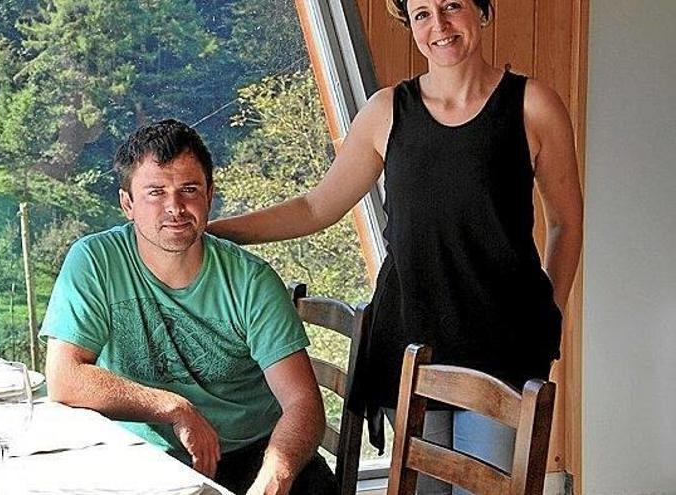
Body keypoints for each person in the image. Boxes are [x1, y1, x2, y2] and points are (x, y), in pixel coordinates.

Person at [207, 1, 583, 493]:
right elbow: (316, 208)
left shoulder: (534, 105)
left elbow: (565, 224)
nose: (439, 25)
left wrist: (548, 317)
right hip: (408, 341)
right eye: (422, 13)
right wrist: (211, 232)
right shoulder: (386, 111)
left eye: (452, 6)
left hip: (503, 347)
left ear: (482, 11)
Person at [40, 119, 337, 495]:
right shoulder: (95, 261)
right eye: (156, 192)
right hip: (141, 460)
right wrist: (173, 407)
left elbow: (302, 403)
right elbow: (64, 377)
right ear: (127, 204)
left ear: (210, 195)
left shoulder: (252, 281)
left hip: (254, 454)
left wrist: (274, 477)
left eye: (189, 189)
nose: (175, 207)